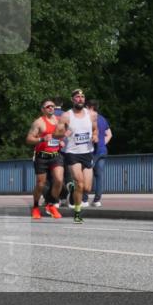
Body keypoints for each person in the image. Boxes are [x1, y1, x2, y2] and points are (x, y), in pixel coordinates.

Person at [61, 89, 98, 225]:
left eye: (82, 97)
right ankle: (77, 213)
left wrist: (94, 136)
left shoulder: (92, 114)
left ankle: (72, 189)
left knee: (87, 188)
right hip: (72, 153)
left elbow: (95, 129)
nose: (80, 99)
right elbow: (56, 133)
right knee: (80, 183)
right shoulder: (66, 116)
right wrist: (64, 134)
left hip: (87, 152)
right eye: (77, 97)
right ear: (72, 99)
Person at [25, 98, 65, 220]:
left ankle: (51, 204)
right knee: (40, 184)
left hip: (55, 155)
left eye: (52, 106)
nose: (51, 108)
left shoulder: (59, 121)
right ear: (43, 109)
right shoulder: (38, 123)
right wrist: (41, 139)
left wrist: (61, 142)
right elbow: (28, 139)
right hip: (41, 156)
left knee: (58, 180)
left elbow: (60, 135)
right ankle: (36, 207)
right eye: (48, 106)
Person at [86, 99, 112, 208]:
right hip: (102, 150)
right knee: (99, 175)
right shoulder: (103, 118)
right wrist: (102, 143)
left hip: (91, 151)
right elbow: (109, 134)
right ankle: (97, 200)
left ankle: (84, 199)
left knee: (86, 174)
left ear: (90, 107)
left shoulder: (88, 118)